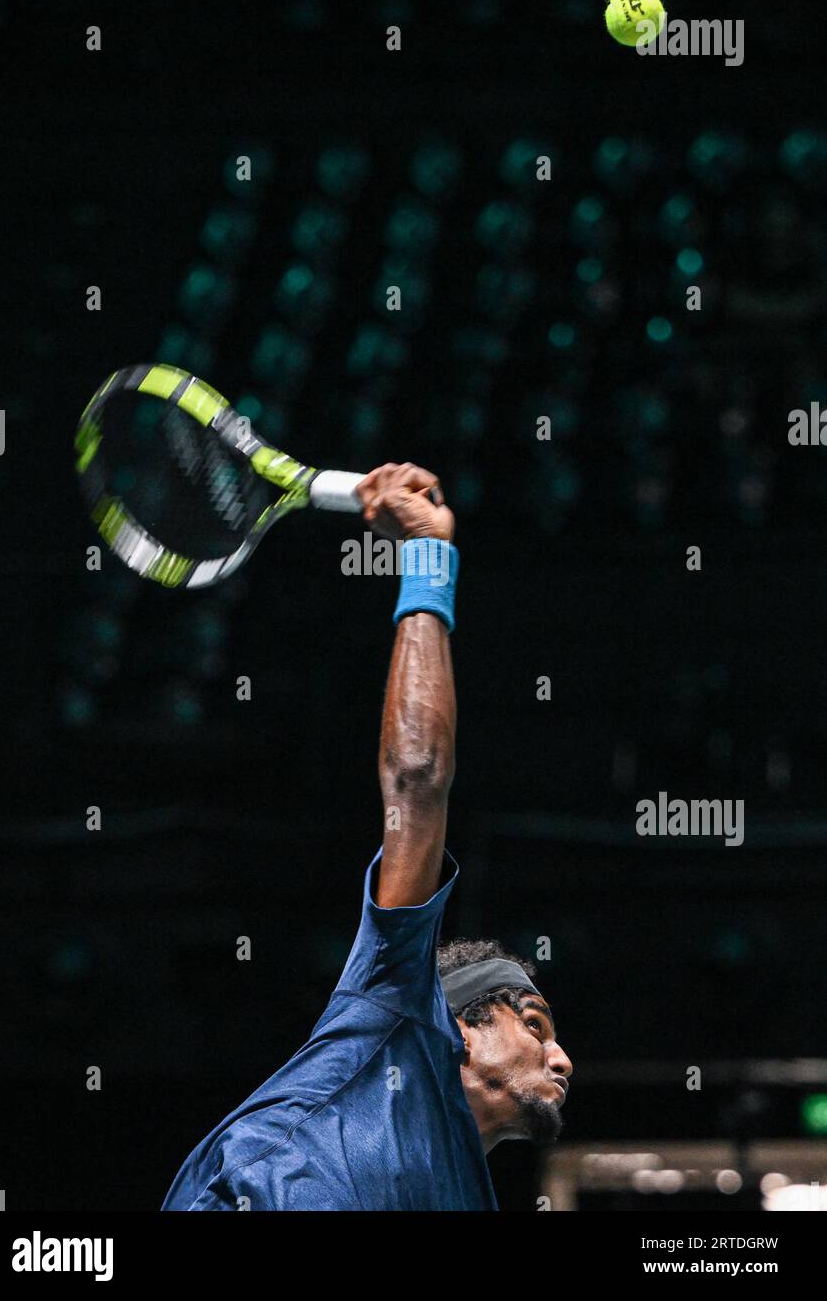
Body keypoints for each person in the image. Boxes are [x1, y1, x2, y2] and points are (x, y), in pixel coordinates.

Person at [162, 462, 573, 1211]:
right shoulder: (395, 1009)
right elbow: (417, 777)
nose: (563, 1058)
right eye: (536, 1025)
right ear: (459, 1028)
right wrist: (426, 557)